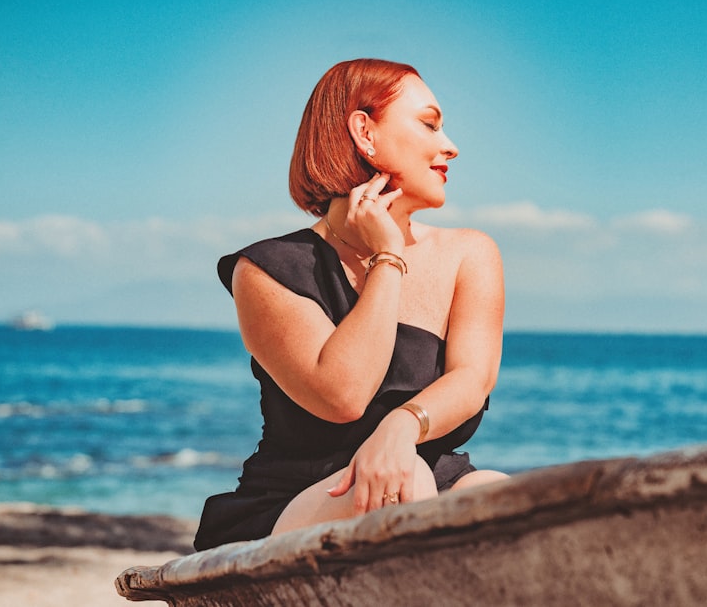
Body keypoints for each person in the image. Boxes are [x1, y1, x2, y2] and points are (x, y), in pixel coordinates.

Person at [193, 59, 507, 550]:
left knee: (511, 500)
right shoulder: (263, 270)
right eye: (429, 124)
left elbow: (473, 380)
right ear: (365, 133)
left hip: (433, 475)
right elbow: (343, 395)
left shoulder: (470, 254)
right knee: (399, 489)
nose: (451, 145)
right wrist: (388, 258)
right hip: (298, 498)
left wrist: (402, 426)